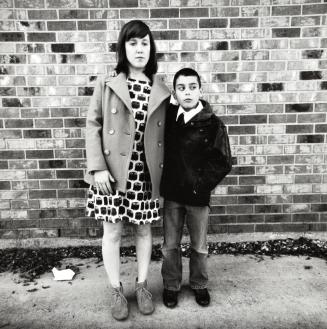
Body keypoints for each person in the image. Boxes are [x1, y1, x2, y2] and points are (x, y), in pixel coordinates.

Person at [84, 20, 170, 321]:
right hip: (111, 174)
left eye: (145, 43)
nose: (139, 49)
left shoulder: (161, 88)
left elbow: (165, 136)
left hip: (145, 174)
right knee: (113, 232)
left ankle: (143, 285)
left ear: (151, 48)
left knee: (145, 230)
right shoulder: (107, 83)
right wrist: (97, 168)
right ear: (124, 47)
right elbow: (93, 125)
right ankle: (116, 289)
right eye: (133, 43)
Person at [160, 68, 232, 308]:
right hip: (172, 193)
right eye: (181, 88)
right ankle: (171, 285)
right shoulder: (169, 118)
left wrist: (201, 186)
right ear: (175, 93)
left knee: (199, 245)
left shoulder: (213, 124)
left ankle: (199, 284)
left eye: (192, 87)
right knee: (170, 244)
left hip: (198, 195)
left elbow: (223, 161)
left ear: (200, 90)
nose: (187, 92)